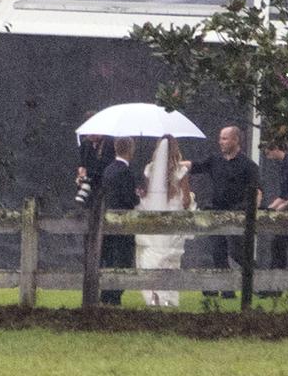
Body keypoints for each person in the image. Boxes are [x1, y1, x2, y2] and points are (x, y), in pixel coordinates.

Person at [186, 126, 261, 298]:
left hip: (237, 214)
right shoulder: (215, 160)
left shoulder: (248, 166)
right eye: (220, 138)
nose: (221, 142)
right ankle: (227, 290)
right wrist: (174, 162)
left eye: (225, 138)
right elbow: (195, 166)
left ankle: (260, 282)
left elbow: (257, 191)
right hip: (217, 212)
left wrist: (251, 215)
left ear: (236, 140)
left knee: (238, 252)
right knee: (217, 251)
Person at [135, 135, 194, 307]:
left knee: (152, 258)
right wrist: (190, 197)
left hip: (154, 219)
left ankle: (154, 296)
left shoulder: (150, 169)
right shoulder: (180, 171)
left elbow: (146, 193)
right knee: (170, 260)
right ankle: (168, 298)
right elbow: (185, 202)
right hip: (173, 221)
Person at [261, 141, 288, 297]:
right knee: (277, 244)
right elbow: (284, 193)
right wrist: (270, 208)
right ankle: (275, 287)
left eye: (266, 150)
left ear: (275, 148)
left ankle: (276, 287)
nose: (265, 154)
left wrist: (283, 207)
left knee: (279, 244)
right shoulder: (284, 164)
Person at [100, 137, 140, 305]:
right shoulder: (126, 172)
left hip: (108, 221)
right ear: (131, 150)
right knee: (123, 260)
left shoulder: (108, 169)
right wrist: (137, 196)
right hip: (123, 222)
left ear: (116, 149)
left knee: (109, 259)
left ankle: (106, 294)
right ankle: (114, 296)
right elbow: (128, 198)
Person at [76, 111, 115, 206]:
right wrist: (81, 173)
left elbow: (107, 165)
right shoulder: (85, 144)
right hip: (90, 190)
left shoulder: (109, 142)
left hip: (103, 187)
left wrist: (88, 172)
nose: (89, 135)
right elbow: (81, 162)